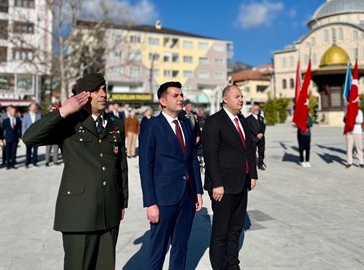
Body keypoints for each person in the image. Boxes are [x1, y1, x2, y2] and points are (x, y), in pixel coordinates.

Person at [23, 72, 128, 270]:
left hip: (109, 211)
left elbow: (121, 166)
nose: (103, 94)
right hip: (79, 214)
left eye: (104, 89)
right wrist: (63, 111)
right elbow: (29, 138)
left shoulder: (115, 124)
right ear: (83, 95)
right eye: (97, 90)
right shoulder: (68, 122)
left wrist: (122, 202)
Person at [139, 81, 203, 270]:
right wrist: (150, 203)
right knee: (157, 251)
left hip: (187, 196)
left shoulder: (185, 124)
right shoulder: (152, 126)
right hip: (163, 199)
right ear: (163, 101)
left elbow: (192, 158)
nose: (181, 98)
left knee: (181, 248)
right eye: (175, 95)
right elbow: (145, 167)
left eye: (181, 95)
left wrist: (197, 190)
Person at [202, 84, 258, 270]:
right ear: (225, 99)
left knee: (236, 229)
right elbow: (210, 155)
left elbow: (249, 149)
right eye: (237, 96)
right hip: (223, 186)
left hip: (241, 183)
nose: (241, 99)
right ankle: (219, 266)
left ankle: (233, 264)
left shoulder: (242, 121)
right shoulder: (214, 121)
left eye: (242, 96)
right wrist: (216, 183)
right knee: (221, 231)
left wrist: (253, 174)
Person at [247, 103, 266, 170]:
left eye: (258, 109)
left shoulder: (261, 118)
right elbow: (249, 129)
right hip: (253, 138)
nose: (257, 110)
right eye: (255, 109)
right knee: (252, 152)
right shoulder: (248, 119)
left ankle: (260, 164)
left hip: (261, 138)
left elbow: (264, 126)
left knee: (261, 151)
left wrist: (262, 133)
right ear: (252, 110)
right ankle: (252, 165)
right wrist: (256, 134)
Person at [1, 106, 22, 170]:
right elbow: (2, 130)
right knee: (7, 152)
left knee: (14, 152)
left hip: (15, 138)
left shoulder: (17, 120)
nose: (13, 112)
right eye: (12, 111)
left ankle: (13, 164)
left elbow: (19, 129)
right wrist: (3, 138)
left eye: (14, 111)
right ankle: (8, 165)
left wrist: (20, 137)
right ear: (9, 112)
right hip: (7, 138)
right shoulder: (5, 120)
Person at [22, 103, 41, 168]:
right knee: (28, 150)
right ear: (29, 108)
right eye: (33, 106)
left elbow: (40, 126)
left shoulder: (38, 115)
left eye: (35, 106)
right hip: (28, 135)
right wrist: (23, 135)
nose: (34, 108)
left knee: (35, 150)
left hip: (36, 135)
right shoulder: (26, 116)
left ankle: (35, 162)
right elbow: (23, 126)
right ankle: (27, 162)